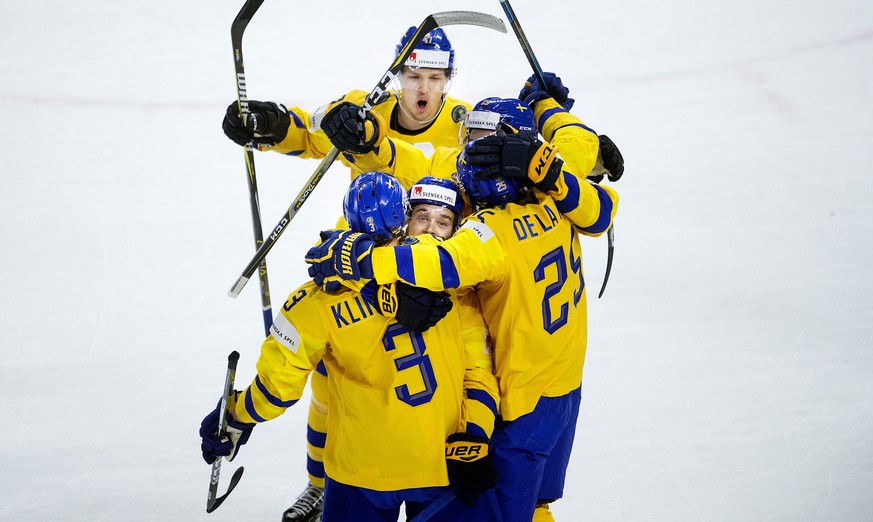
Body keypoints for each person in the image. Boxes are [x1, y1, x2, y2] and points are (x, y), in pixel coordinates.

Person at [304, 84, 620, 521]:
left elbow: (439, 262)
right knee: (539, 503)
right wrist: (546, 105)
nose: (467, 155)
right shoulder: (554, 184)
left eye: (482, 145)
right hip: (565, 389)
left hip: (518, 402)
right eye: (468, 139)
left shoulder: (493, 231)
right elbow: (589, 168)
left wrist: (358, 256)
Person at [221, 26, 473, 520]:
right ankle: (321, 485)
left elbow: (438, 173)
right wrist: (269, 125)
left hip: (420, 269)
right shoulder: (365, 105)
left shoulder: (461, 124)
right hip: (354, 261)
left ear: (449, 80)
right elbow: (310, 130)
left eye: (435, 78)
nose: (423, 89)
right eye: (414, 75)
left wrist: (373, 145)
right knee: (327, 380)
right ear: (398, 75)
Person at [200, 172, 501, 522]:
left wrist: (237, 415)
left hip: (359, 471)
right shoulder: (456, 288)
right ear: (405, 220)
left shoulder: (313, 301)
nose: (431, 229)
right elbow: (479, 373)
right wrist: (474, 437)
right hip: (441, 463)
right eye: (422, 218)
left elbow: (276, 389)